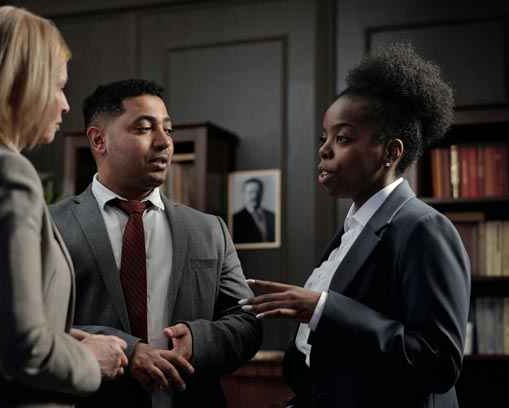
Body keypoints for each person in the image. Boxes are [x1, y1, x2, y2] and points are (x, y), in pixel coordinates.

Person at [240, 44, 471, 407]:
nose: (324, 150)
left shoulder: (424, 228)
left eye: (343, 138)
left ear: (391, 152)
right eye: (324, 138)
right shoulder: (352, 229)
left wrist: (323, 309)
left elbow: (439, 361)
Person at [0, 6, 128, 408]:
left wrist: (63, 339)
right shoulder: (4, 173)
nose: (66, 105)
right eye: (58, 86)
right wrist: (91, 359)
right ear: (19, 85)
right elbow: (21, 349)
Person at [50, 79, 262, 408]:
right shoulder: (50, 226)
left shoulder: (209, 230)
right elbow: (33, 326)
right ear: (99, 140)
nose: (164, 142)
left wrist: (198, 340)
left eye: (168, 130)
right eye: (145, 128)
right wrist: (127, 349)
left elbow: (247, 322)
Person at [232, 178, 276, 243]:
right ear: (244, 194)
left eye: (258, 192)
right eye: (250, 192)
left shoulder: (272, 216)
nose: (254, 196)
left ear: (262, 193)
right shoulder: (235, 219)